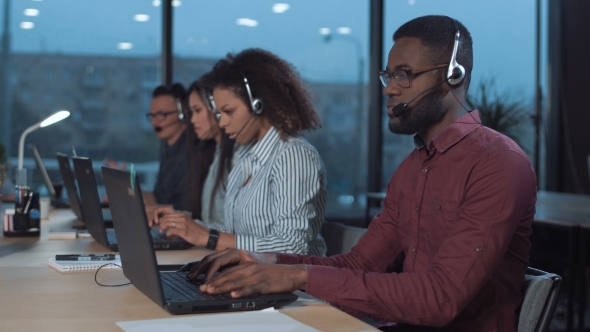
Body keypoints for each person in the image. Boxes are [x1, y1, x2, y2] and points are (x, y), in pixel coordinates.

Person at [183, 16, 537, 332]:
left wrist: (297, 275)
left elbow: (439, 298)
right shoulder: (413, 168)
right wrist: (268, 260)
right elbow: (359, 263)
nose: (389, 88)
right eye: (388, 75)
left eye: (404, 75)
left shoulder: (498, 163)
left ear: (451, 76)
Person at [153, 48, 328, 257]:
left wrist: (207, 237)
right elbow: (239, 234)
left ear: (258, 103)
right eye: (219, 113)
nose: (222, 122)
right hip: (249, 276)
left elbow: (292, 247)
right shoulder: (248, 157)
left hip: (290, 285)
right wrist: (185, 224)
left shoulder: (293, 155)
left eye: (228, 111)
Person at [151, 79, 238, 229]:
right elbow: (208, 220)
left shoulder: (236, 158)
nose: (192, 120)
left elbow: (236, 231)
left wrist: (194, 228)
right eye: (152, 116)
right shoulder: (216, 154)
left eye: (197, 111)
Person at [105, 84, 188, 211]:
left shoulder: (193, 153)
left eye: (162, 115)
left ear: (183, 113)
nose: (155, 122)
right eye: (152, 116)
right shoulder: (169, 150)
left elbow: (188, 208)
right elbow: (157, 199)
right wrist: (125, 188)